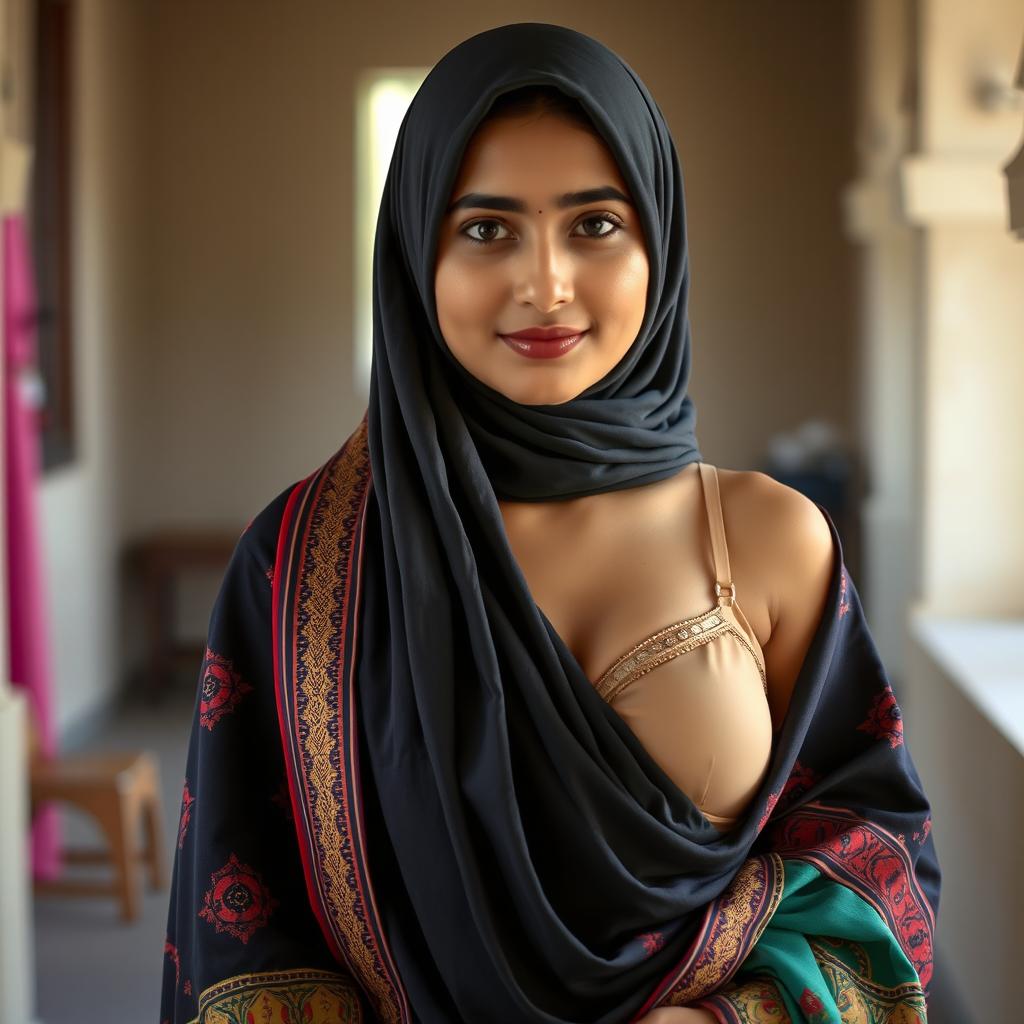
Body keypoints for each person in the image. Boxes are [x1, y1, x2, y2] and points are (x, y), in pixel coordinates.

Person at [160, 23, 940, 1024]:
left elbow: (872, 852)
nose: (545, 285)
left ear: (657, 237)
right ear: (414, 253)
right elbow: (242, 917)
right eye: (487, 229)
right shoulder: (301, 564)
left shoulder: (770, 538)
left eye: (595, 225)